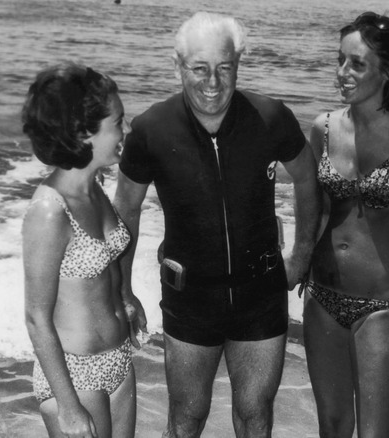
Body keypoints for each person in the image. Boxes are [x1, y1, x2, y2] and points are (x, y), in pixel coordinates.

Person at [113, 12, 320, 438]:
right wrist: (123, 289)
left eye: (225, 68)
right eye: (199, 69)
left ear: (238, 64)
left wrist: (301, 253)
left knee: (255, 413)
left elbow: (307, 177)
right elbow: (126, 210)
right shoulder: (150, 129)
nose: (213, 83)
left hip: (260, 294)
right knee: (187, 417)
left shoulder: (271, 117)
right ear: (178, 66)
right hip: (191, 298)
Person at [302, 12, 389, 437]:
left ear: (388, 69)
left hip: (384, 308)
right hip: (322, 297)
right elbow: (315, 212)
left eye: (357, 63)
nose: (343, 73)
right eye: (340, 60)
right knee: (332, 427)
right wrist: (297, 260)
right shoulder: (322, 128)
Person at [22, 63, 146, 438]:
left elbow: (105, 263)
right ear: (82, 132)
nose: (126, 130)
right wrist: (68, 406)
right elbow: (35, 317)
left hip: (119, 360)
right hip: (75, 376)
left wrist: (125, 296)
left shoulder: (94, 186)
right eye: (117, 122)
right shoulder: (49, 210)